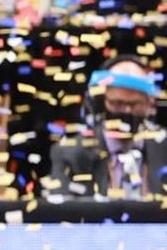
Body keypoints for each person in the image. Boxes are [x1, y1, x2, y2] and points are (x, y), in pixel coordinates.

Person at [47, 56, 165, 198]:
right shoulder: (69, 152)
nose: (126, 111)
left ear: (149, 105)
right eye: (117, 103)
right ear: (100, 103)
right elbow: (61, 212)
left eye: (134, 104)